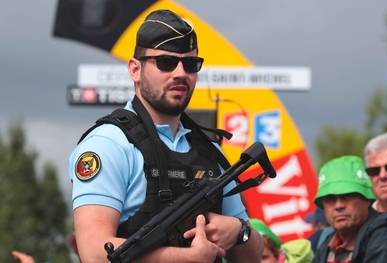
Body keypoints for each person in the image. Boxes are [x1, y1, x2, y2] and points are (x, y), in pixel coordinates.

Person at [68, 9, 262, 263]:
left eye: (190, 64)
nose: (181, 73)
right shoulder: (108, 145)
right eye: (166, 62)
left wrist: (240, 231)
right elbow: (95, 252)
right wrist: (188, 258)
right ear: (135, 70)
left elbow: (253, 256)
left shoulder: (210, 152)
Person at [313, 155, 387, 263]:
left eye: (346, 196)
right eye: (330, 199)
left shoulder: (386, 233)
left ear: (367, 199)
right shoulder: (327, 245)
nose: (338, 205)